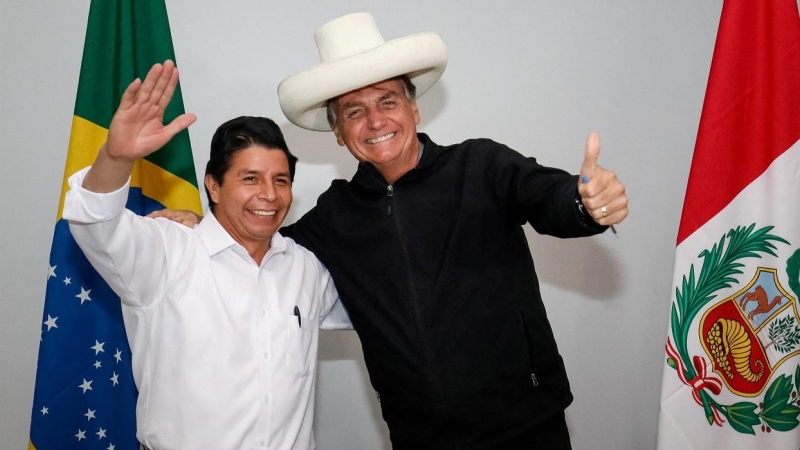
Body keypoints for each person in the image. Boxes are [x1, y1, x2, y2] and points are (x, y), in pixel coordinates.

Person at [159, 12, 628, 449]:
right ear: (339, 133)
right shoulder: (334, 216)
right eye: (354, 111)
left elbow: (549, 199)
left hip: (528, 428)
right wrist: (203, 226)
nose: (375, 121)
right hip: (419, 440)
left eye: (388, 101)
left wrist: (584, 202)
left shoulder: (480, 166)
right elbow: (261, 243)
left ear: (414, 109)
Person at [62, 60, 349, 450]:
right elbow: (93, 221)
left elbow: (379, 306)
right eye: (250, 178)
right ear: (213, 186)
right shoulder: (166, 251)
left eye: (280, 180)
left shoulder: (306, 268)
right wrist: (116, 157)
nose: (269, 194)